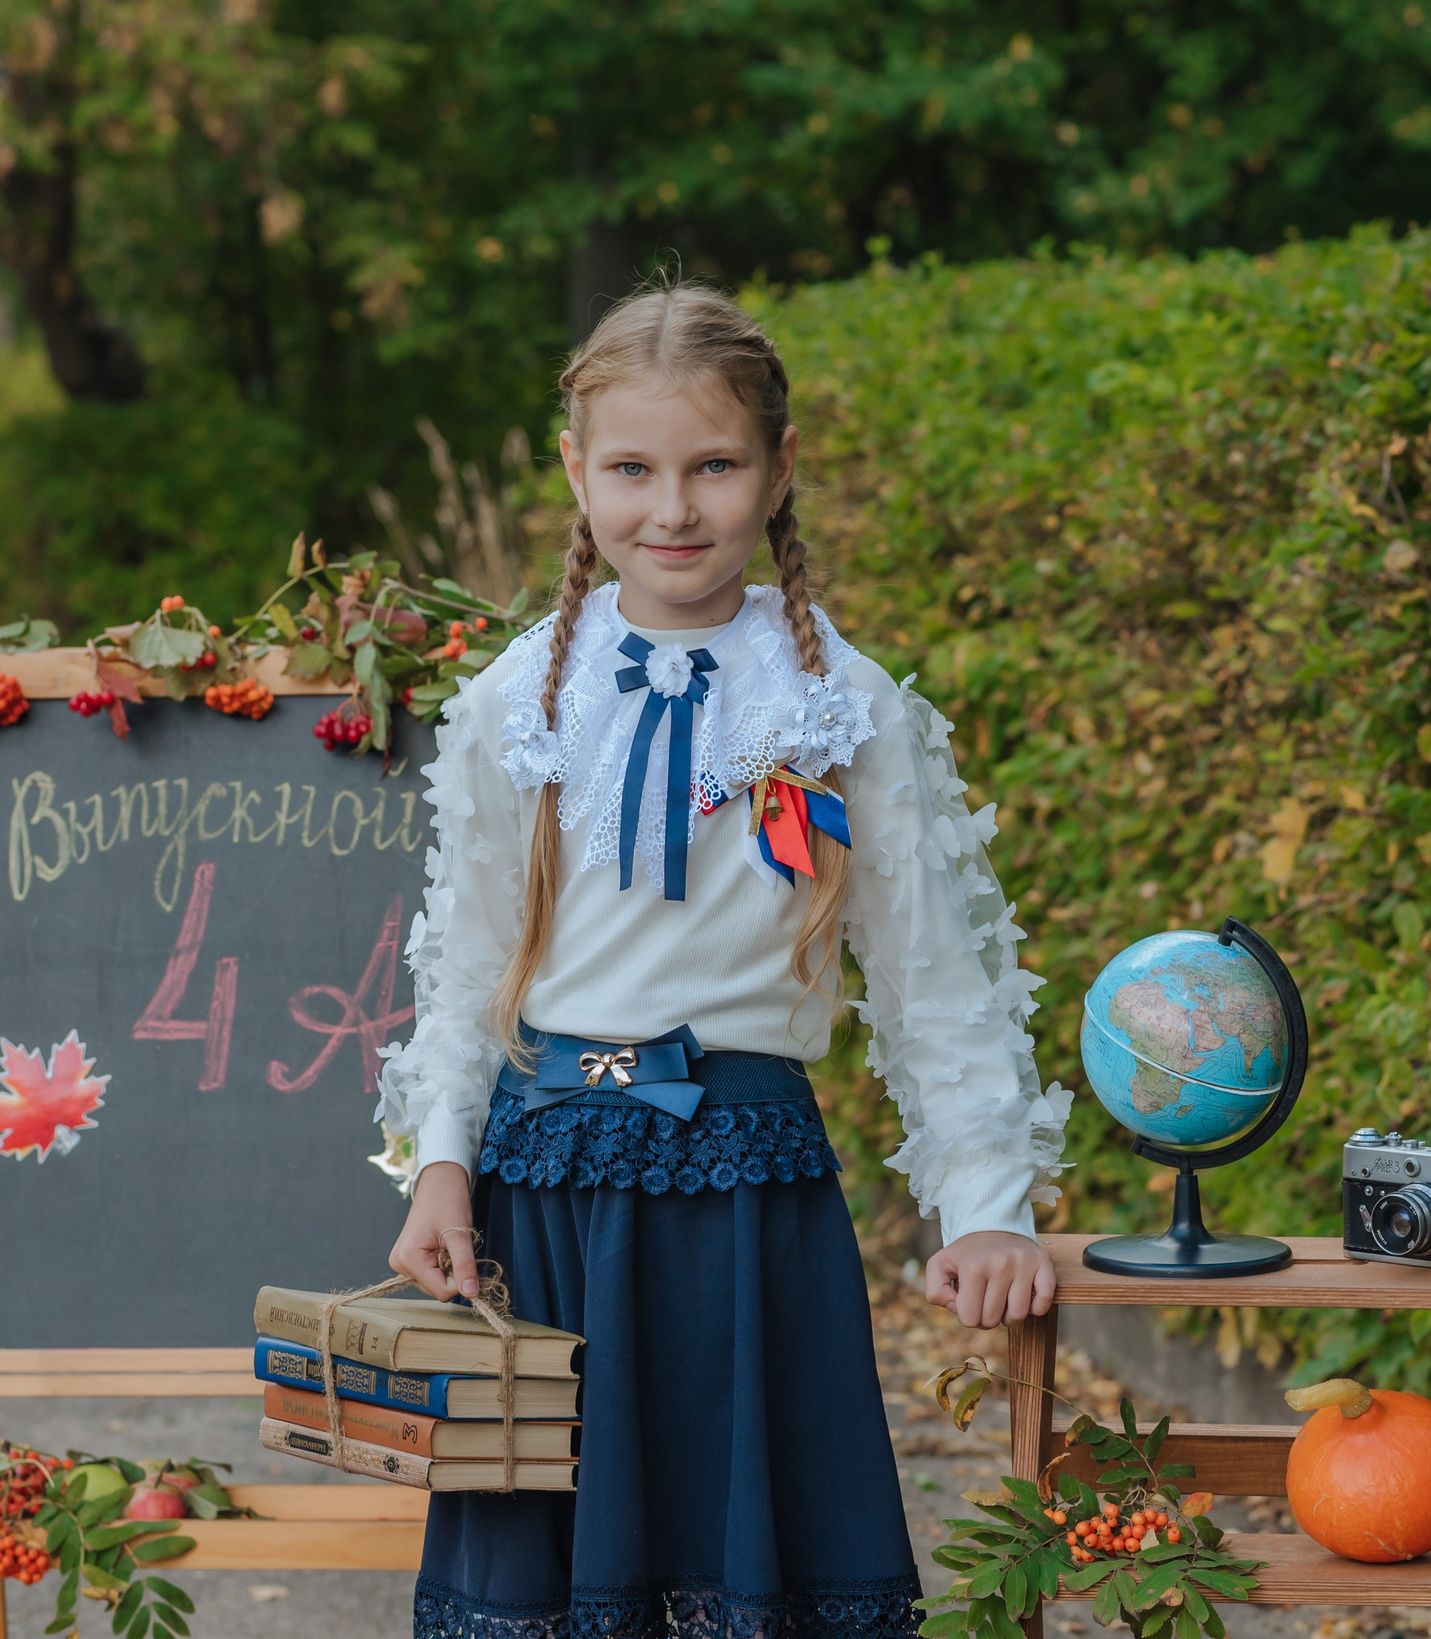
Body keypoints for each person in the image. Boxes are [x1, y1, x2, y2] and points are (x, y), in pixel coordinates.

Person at [373, 279, 1071, 1639]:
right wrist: (439, 1164)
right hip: (546, 1201)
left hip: (748, 1194)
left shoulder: (841, 707)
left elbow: (935, 981)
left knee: (745, 1574)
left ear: (779, 468)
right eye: (631, 468)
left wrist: (986, 1203)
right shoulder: (517, 700)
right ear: (576, 471)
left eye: (713, 466)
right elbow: (463, 963)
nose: (672, 508)